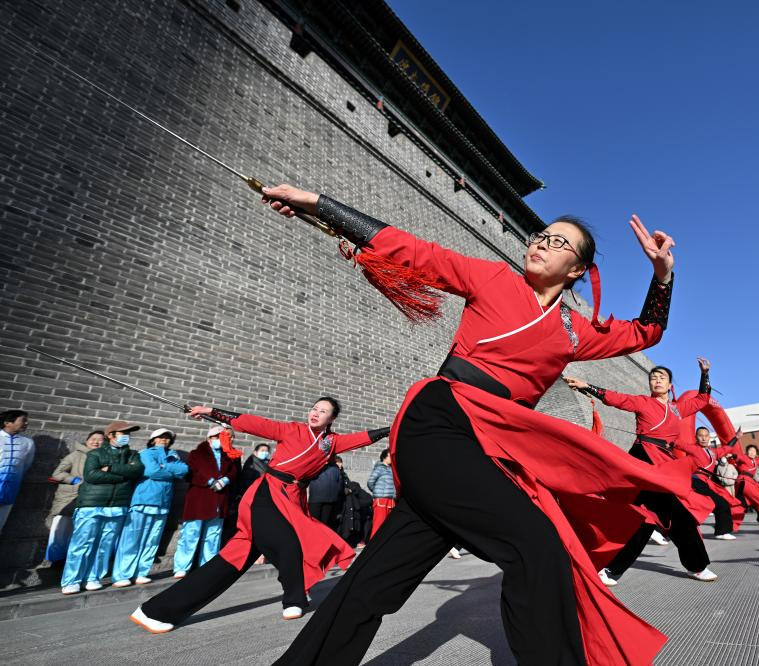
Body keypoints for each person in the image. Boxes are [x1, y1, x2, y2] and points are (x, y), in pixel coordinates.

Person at [261, 184, 685, 665]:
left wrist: (662, 276)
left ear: (576, 270)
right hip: (441, 420)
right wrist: (318, 204)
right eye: (541, 235)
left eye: (558, 242)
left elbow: (646, 332)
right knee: (536, 544)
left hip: (487, 443)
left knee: (374, 582)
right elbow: (414, 251)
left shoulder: (574, 331)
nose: (542, 243)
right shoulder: (493, 278)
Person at [131, 397, 388, 631]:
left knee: (228, 564)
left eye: (322, 411)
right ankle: (295, 597)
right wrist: (210, 411)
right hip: (267, 494)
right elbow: (251, 422)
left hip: (292, 499)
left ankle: (156, 612)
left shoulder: (331, 443)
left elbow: (365, 437)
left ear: (332, 418)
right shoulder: (292, 429)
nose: (315, 413)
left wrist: (393, 429)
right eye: (314, 408)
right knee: (288, 541)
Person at [568, 360, 725, 585]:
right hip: (643, 460)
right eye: (653, 377)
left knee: (650, 518)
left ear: (670, 385)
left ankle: (613, 569)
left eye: (662, 377)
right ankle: (694, 566)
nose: (657, 380)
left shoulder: (677, 409)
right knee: (667, 516)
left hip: (664, 463)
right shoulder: (642, 402)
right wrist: (588, 387)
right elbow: (617, 398)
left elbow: (702, 399)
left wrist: (705, 374)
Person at [60, 421, 143, 594]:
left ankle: (93, 577)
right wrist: (123, 476)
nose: (126, 436)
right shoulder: (95, 453)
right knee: (82, 543)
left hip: (118, 506)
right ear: (110, 435)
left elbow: (137, 471)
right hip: (92, 504)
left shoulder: (133, 454)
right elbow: (92, 475)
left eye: (128, 433)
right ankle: (72, 580)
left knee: (105, 545)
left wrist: (111, 468)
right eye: (123, 433)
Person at [112, 428, 188, 586]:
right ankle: (122, 575)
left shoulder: (173, 455)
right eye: (160, 437)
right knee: (132, 539)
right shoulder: (146, 453)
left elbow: (183, 470)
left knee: (152, 540)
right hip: (143, 500)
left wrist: (163, 466)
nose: (164, 440)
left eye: (167, 438)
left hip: (163, 502)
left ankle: (141, 572)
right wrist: (170, 471)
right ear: (153, 440)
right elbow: (152, 471)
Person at [172, 425, 241, 578]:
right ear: (209, 438)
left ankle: (207, 565)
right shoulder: (197, 454)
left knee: (213, 535)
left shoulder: (228, 455)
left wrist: (225, 480)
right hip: (199, 499)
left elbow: (234, 472)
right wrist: (209, 481)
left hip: (219, 500)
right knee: (191, 533)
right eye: (217, 437)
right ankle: (182, 566)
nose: (220, 440)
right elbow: (190, 473)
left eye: (223, 437)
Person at [46, 430, 104, 562]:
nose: (96, 442)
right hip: (69, 498)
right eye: (93, 439)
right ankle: (55, 561)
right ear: (87, 440)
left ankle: (71, 561)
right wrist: (75, 480)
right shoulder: (75, 455)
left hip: (90, 500)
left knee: (80, 533)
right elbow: (57, 473)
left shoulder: (103, 458)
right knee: (60, 531)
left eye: (100, 440)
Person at [0, 409, 35, 536]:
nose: (26, 423)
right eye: (23, 420)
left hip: (10, 490)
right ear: (7, 422)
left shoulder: (28, 443)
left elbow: (26, 465)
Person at [730, 444, 759, 524]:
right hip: (744, 481)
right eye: (750, 450)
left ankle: (728, 517)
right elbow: (737, 457)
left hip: (749, 481)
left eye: (754, 451)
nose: (752, 452)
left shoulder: (756, 461)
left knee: (741, 502)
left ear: (756, 453)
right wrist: (732, 455)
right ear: (747, 452)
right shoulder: (744, 457)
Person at [307, 448, 344, 533]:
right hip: (330, 499)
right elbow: (340, 485)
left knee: (314, 523)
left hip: (316, 498)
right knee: (325, 524)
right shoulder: (336, 469)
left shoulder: (315, 466)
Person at [366, 449, 396, 539]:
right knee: (378, 525)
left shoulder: (392, 469)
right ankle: (373, 545)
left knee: (388, 526)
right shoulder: (379, 468)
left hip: (391, 501)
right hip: (381, 500)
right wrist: (377, 492)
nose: (391, 458)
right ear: (384, 457)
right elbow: (370, 482)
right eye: (389, 456)